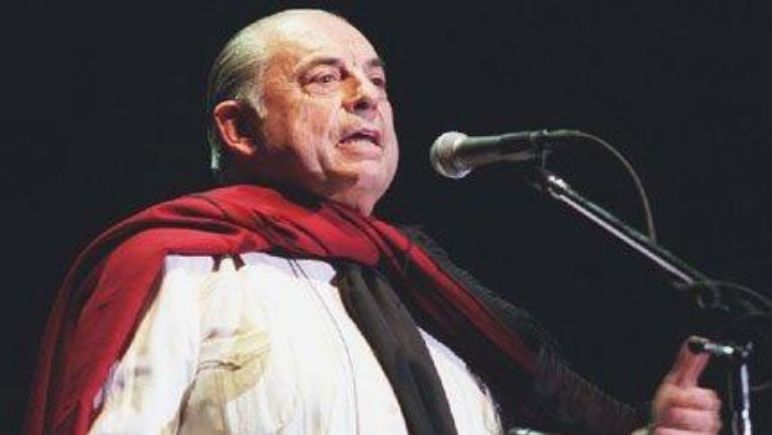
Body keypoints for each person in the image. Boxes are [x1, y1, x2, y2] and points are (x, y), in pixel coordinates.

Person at [27, 9, 722, 435]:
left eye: (378, 81)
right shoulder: (184, 271)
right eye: (324, 77)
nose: (366, 97)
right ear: (238, 128)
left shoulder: (433, 300)